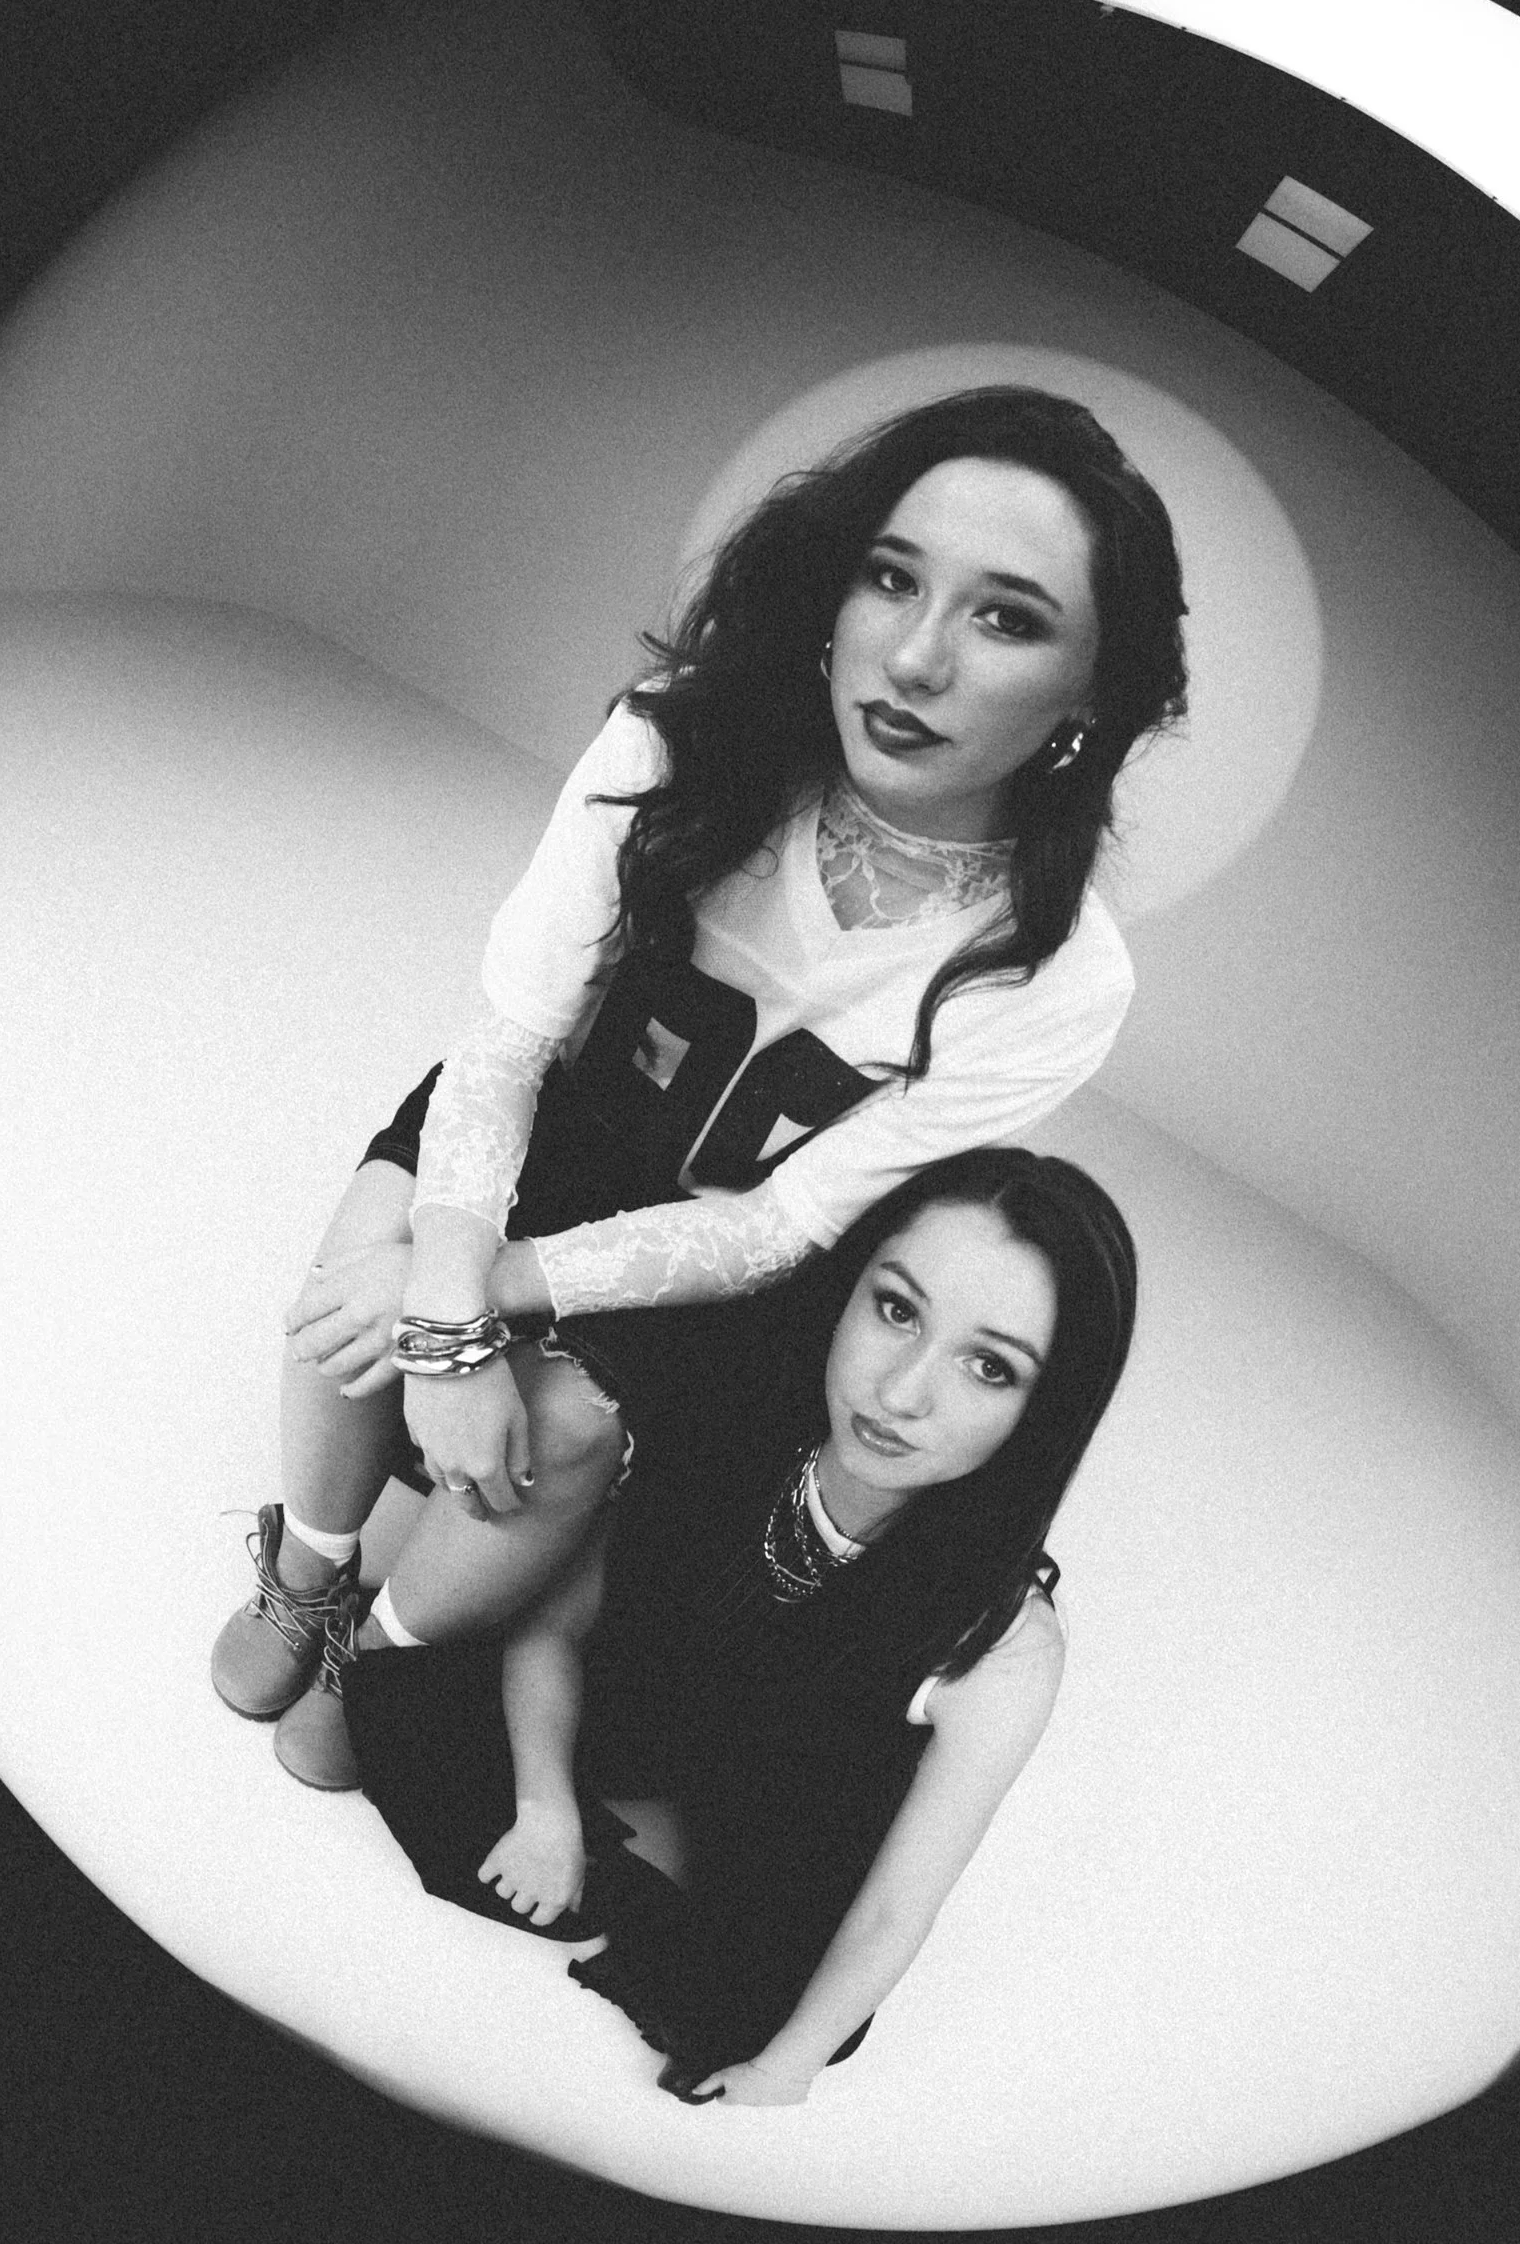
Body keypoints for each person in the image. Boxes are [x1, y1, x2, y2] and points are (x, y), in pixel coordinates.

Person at [212, 386, 1187, 1787]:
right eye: (892, 578)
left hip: (724, 1245)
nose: (913, 659)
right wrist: (431, 1298)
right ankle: (306, 1570)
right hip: (544, 1121)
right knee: (354, 1283)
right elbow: (505, 1045)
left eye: (1007, 617)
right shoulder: (674, 743)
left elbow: (778, 1231)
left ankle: (382, 1651)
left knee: (557, 1427)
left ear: (1094, 690)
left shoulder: (1060, 978)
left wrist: (474, 1313)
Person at [343, 1148, 1141, 2102]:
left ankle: (668, 1893)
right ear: (848, 1291)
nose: (901, 1394)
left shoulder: (1005, 1646)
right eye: (896, 1309)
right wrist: (546, 1806)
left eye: (988, 1366)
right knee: (405, 1714)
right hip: (631, 1716)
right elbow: (552, 1629)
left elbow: (897, 1906)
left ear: (1043, 1412)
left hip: (775, 1836)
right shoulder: (741, 1423)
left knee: (766, 2003)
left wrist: (784, 2070)